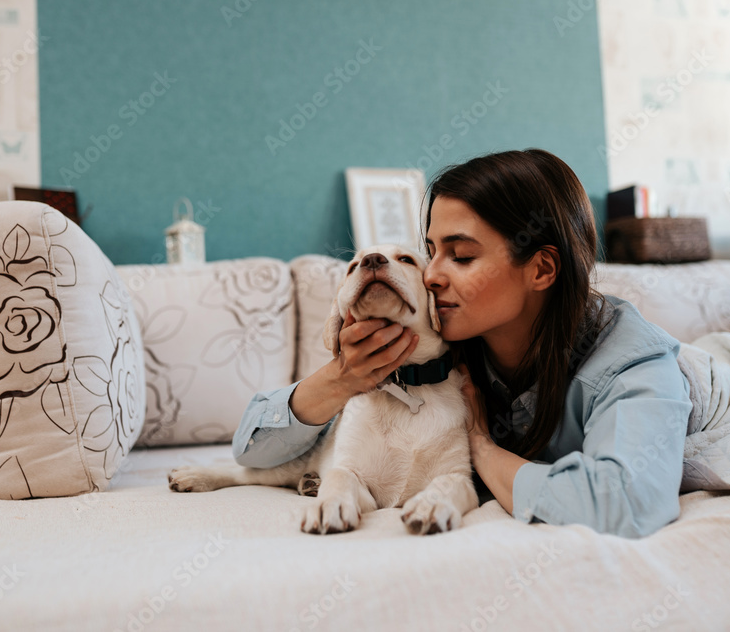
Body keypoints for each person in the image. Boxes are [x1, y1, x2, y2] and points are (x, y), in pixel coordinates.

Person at [233, 149, 692, 538]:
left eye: (462, 255)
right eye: (431, 252)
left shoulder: (630, 362)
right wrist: (342, 378)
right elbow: (250, 448)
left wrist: (484, 451)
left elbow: (628, 502)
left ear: (541, 270)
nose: (430, 275)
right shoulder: (446, 347)